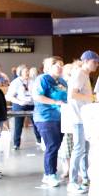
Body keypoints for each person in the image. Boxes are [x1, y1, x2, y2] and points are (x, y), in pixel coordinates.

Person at [66, 51, 99, 194]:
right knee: (79, 149)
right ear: (86, 61)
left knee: (84, 149)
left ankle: (84, 177)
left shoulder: (84, 74)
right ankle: (72, 182)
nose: (97, 64)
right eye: (95, 61)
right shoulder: (80, 74)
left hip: (83, 117)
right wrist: (91, 98)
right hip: (78, 118)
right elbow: (72, 94)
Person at [32, 56, 67, 187]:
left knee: (56, 145)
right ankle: (50, 174)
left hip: (61, 117)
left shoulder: (63, 81)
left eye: (62, 65)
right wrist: (55, 102)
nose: (60, 68)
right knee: (52, 145)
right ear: (49, 67)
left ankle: (48, 174)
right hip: (45, 117)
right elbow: (37, 96)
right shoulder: (42, 79)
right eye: (57, 65)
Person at [6, 65, 41, 150]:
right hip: (19, 105)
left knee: (37, 123)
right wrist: (20, 102)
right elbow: (9, 96)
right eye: (26, 72)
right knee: (18, 125)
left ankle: (39, 140)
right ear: (20, 73)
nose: (28, 73)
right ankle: (16, 144)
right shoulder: (15, 82)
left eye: (28, 71)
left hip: (31, 104)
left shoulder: (33, 81)